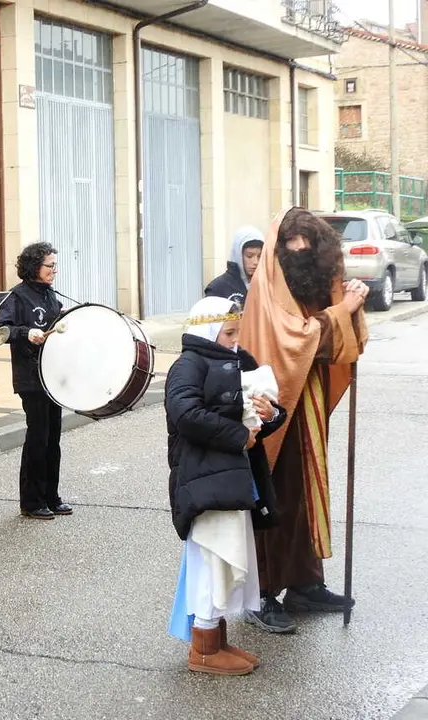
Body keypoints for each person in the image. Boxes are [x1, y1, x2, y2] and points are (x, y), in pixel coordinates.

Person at [239, 207, 369, 634]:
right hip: (275, 408)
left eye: (308, 244)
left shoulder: (313, 279)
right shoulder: (268, 288)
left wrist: (348, 300)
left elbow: (335, 345)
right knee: (274, 494)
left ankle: (303, 582)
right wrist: (341, 310)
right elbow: (295, 337)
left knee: (306, 491)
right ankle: (262, 592)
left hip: (307, 400)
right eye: (292, 244)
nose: (300, 251)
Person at [165, 295, 286, 675]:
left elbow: (261, 417)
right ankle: (203, 648)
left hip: (232, 477)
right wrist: (238, 436)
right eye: (229, 332)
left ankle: (215, 639)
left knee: (225, 556)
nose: (235, 339)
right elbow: (186, 414)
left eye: (236, 332)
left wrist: (271, 414)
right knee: (211, 560)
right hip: (204, 478)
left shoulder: (238, 360)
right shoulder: (188, 365)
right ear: (209, 329)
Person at [0, 241, 71, 520]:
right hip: (30, 377)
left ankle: (51, 495)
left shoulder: (50, 295)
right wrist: (26, 332)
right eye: (50, 265)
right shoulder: (17, 296)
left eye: (54, 264)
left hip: (52, 376)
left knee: (53, 437)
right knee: (37, 437)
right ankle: (31, 500)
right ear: (34, 266)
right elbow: (1, 329)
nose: (54, 270)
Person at [205, 226, 265, 306]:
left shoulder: (267, 286)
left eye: (259, 256)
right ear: (238, 255)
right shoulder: (217, 287)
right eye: (249, 256)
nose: (255, 262)